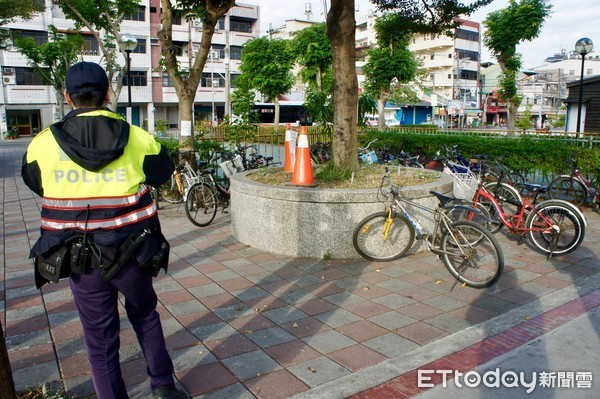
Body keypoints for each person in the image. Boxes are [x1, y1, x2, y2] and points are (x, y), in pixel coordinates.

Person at [21, 61, 186, 399]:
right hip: (132, 251)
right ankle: (163, 388)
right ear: (108, 94)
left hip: (79, 257)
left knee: (99, 339)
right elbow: (163, 172)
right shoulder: (138, 138)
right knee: (145, 316)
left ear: (68, 97)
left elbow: (35, 182)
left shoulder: (42, 144)